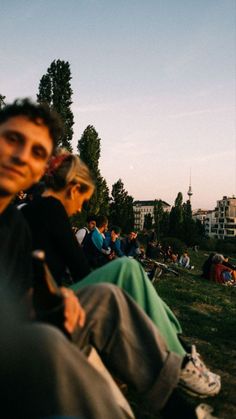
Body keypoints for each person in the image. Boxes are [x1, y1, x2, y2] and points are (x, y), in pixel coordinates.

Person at [0, 99, 220, 418]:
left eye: (37, 152)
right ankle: (180, 360)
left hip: (25, 326)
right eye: (12, 139)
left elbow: (23, 293)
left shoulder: (15, 223)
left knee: (107, 294)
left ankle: (177, 394)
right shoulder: (49, 211)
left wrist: (54, 297)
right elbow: (79, 266)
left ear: (41, 168)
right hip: (19, 341)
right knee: (124, 272)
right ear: (73, 189)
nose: (22, 157)